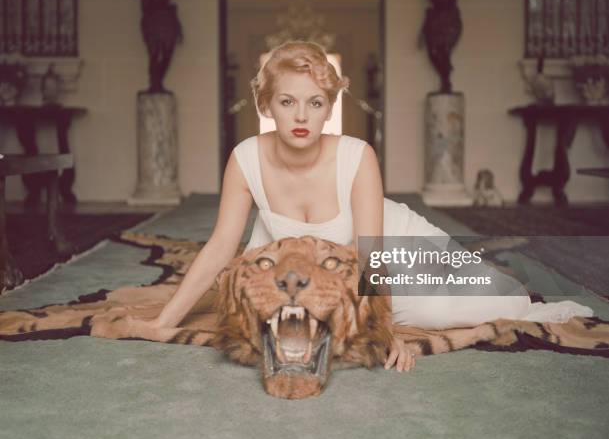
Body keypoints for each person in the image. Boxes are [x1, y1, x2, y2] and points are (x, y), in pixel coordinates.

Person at [142, 41, 593, 372]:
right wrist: (164, 323)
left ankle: (510, 284)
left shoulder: (358, 155)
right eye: (287, 102)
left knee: (445, 309)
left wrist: (386, 332)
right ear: (267, 105)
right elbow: (222, 246)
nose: (301, 116)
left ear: (329, 107)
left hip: (397, 249)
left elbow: (373, 256)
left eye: (315, 103)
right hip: (328, 271)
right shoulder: (245, 159)